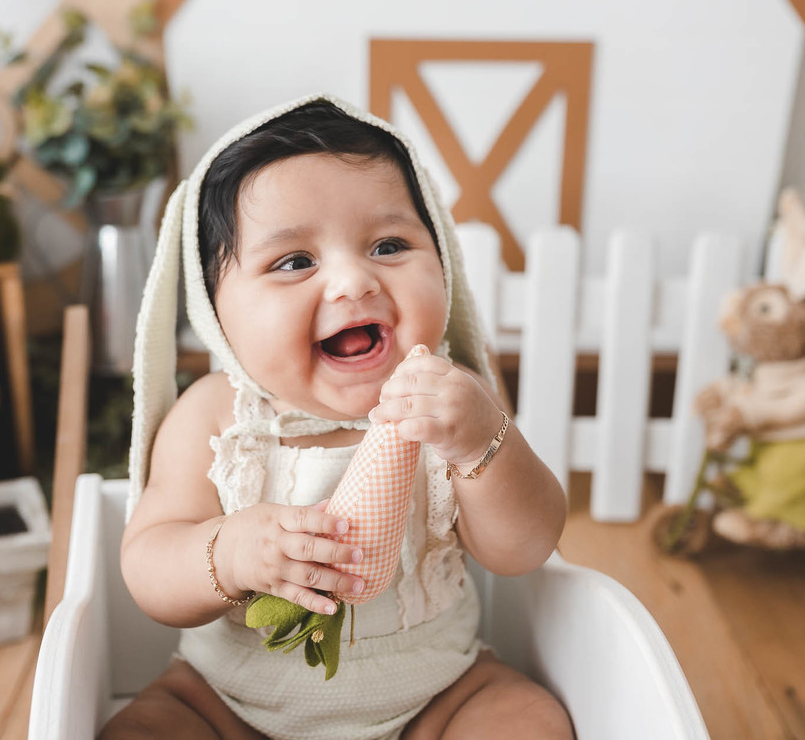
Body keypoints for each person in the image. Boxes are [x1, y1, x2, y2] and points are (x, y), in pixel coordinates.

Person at [108, 94, 571, 740]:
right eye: (294, 261)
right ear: (215, 310)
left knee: (527, 719)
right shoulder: (218, 416)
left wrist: (482, 445)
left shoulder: (453, 402)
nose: (354, 281)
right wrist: (233, 550)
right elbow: (150, 571)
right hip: (227, 702)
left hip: (436, 692)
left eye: (388, 244)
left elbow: (524, 548)